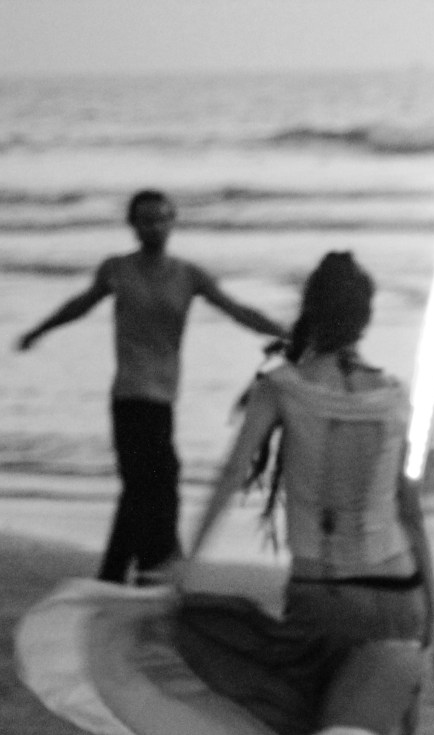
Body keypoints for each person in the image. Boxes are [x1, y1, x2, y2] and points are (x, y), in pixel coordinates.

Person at [176, 251, 434, 735]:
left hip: (326, 596)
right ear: (363, 318)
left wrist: (185, 561)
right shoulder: (393, 394)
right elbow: (410, 512)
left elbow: (231, 474)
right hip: (400, 595)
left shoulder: (283, 387)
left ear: (310, 309)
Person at [15, 189, 286, 585]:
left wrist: (286, 332)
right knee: (154, 481)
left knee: (141, 487)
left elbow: (238, 311)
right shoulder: (117, 269)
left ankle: (119, 572)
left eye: (161, 218)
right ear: (133, 224)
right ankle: (152, 564)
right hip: (128, 395)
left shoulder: (188, 275)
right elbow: (81, 303)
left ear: (173, 222)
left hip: (163, 397)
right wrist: (40, 330)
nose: (153, 226)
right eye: (145, 219)